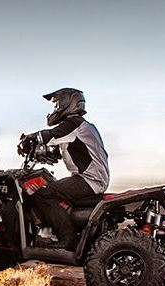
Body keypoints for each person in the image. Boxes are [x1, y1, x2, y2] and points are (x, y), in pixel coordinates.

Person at [19, 87, 109, 245]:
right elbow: (63, 147)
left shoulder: (74, 123)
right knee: (52, 188)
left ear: (68, 102)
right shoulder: (78, 126)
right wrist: (47, 154)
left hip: (89, 180)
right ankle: (49, 230)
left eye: (56, 103)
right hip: (90, 178)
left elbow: (50, 135)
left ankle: (67, 238)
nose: (54, 108)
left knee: (43, 194)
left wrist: (29, 139)